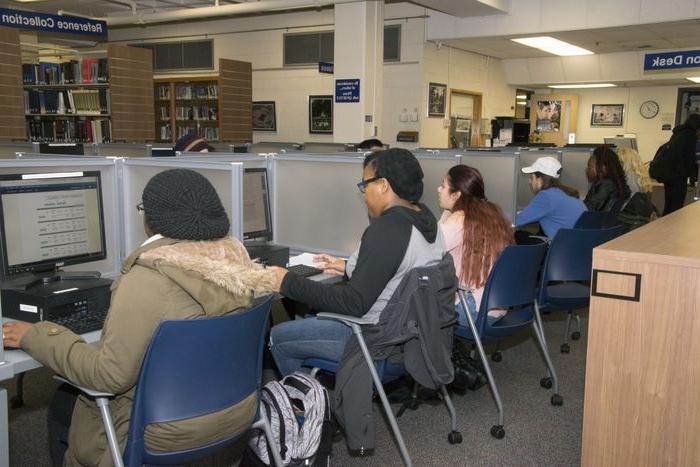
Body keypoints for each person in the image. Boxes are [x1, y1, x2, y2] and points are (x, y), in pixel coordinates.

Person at [2, 169, 276, 467]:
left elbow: (107, 377)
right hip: (233, 414)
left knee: (64, 402)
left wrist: (36, 335)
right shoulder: (237, 265)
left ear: (151, 221)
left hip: (162, 432)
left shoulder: (147, 279)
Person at [268, 148, 445, 377]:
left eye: (365, 185)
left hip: (374, 339)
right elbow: (398, 267)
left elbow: (353, 303)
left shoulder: (388, 230)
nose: (364, 193)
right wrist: (348, 267)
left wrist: (287, 281)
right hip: (410, 335)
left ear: (383, 185)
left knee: (279, 336)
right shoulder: (426, 219)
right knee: (312, 315)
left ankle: (306, 404)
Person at [437, 165, 513, 325]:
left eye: (443, 186)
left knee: (414, 303)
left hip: (471, 310)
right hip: (498, 305)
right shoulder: (493, 214)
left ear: (456, 195)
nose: (439, 189)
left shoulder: (458, 220)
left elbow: (429, 251)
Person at [514, 156, 586, 239]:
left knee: (518, 235)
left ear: (540, 179)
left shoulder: (546, 196)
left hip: (561, 248)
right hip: (578, 245)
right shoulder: (565, 194)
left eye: (531, 177)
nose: (529, 182)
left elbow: (516, 221)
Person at [662, 113, 700, 215]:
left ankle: (664, 226)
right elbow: (689, 158)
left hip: (668, 174)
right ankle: (671, 227)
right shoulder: (690, 135)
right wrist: (693, 181)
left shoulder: (677, 133)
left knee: (668, 204)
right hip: (678, 175)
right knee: (676, 206)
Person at [584, 145, 631, 212]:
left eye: (590, 166)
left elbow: (589, 208)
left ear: (602, 167)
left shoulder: (606, 185)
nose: (587, 170)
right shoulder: (615, 183)